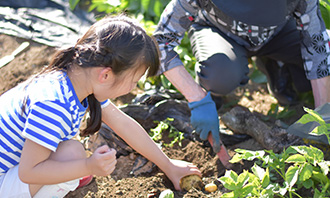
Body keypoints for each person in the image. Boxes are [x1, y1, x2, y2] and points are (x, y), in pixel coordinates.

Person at [0, 15, 201, 197]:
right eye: (133, 81)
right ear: (105, 75)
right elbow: (29, 172)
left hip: (11, 168)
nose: (133, 87)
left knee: (71, 156)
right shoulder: (54, 104)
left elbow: (123, 124)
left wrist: (168, 165)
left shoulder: (75, 78)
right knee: (72, 155)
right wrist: (87, 166)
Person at [153, 0, 330, 153]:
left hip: (278, 32)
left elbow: (317, 44)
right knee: (220, 76)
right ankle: (214, 91)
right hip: (220, 31)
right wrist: (197, 98)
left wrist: (322, 115)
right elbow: (161, 43)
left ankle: (277, 65)